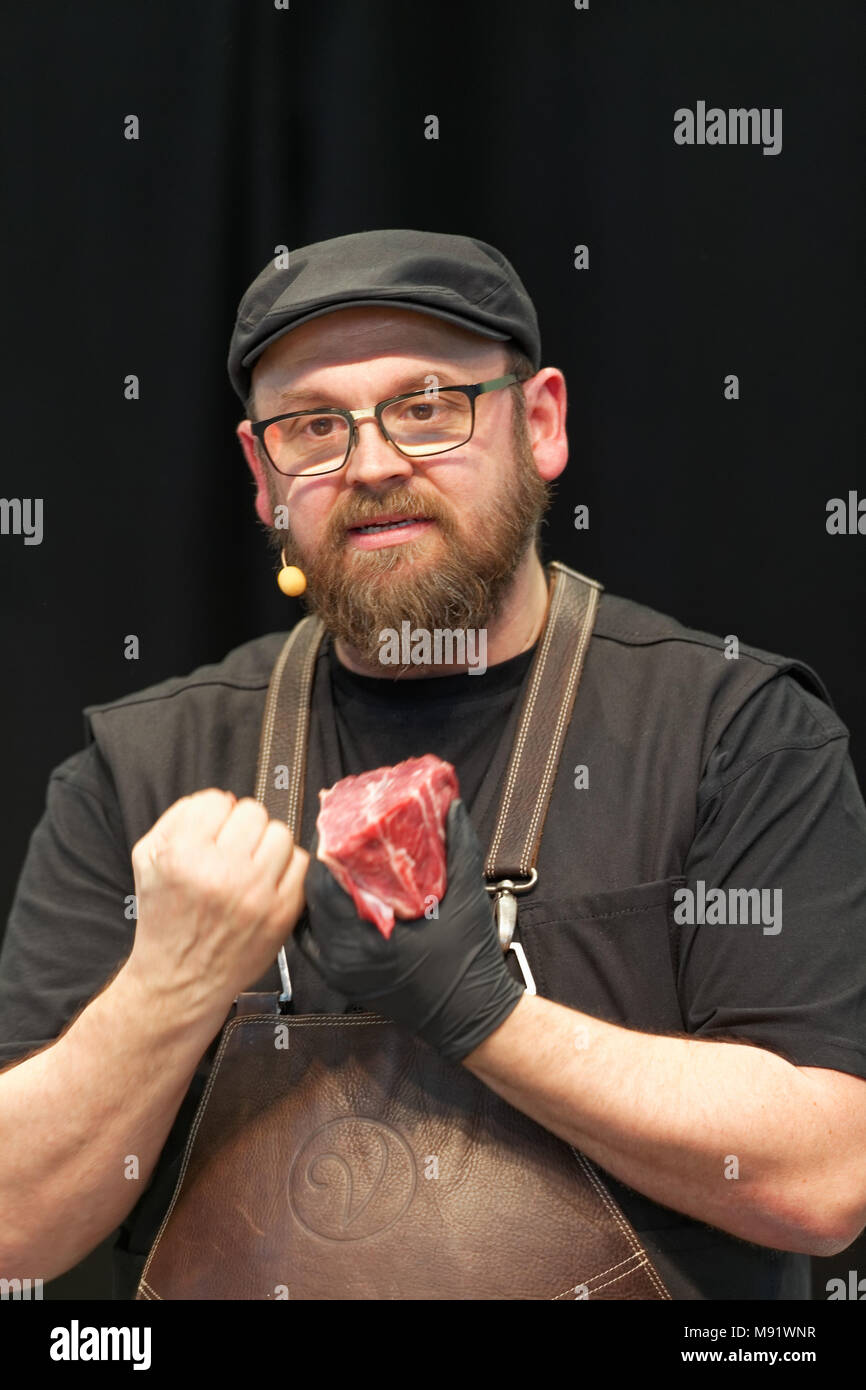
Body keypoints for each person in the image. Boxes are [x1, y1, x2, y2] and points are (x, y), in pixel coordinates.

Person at [1, 229, 865, 1301]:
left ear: (539, 421)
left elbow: (828, 1175)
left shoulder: (730, 730)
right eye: (311, 425)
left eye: (426, 405)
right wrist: (168, 984)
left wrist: (483, 1013)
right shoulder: (140, 767)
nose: (369, 463)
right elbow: (11, 1230)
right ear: (262, 475)